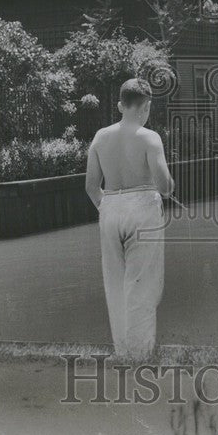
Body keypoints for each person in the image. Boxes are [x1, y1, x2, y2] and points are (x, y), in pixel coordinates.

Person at [85, 77, 174, 356]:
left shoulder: (100, 137)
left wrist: (110, 207)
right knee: (142, 283)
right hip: (142, 208)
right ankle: (141, 353)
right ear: (146, 106)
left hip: (110, 207)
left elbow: (90, 187)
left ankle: (123, 352)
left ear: (121, 105)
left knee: (116, 282)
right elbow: (165, 187)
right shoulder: (149, 137)